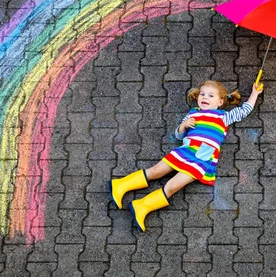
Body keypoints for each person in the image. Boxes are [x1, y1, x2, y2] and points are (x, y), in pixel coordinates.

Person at [109, 80, 263, 231]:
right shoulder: (193, 114)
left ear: (220, 102)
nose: (204, 98)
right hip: (185, 151)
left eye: (210, 96)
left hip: (201, 160)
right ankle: (121, 185)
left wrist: (255, 93)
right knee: (156, 171)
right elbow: (178, 135)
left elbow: (244, 110)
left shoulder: (223, 116)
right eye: (202, 94)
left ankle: (142, 206)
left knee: (172, 187)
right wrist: (183, 125)